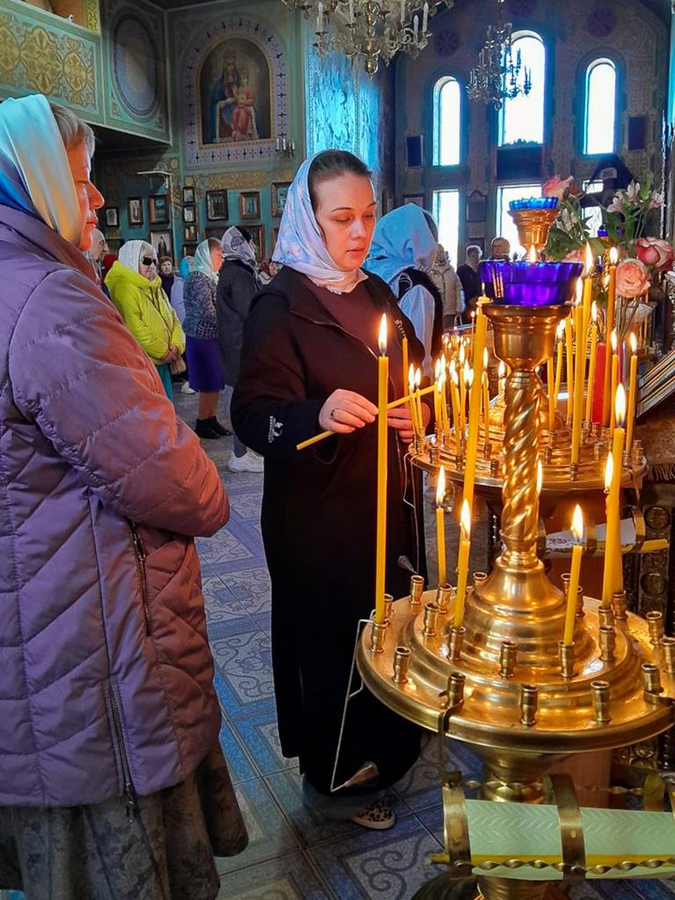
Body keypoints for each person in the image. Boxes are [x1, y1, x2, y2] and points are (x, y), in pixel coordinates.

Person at [0, 94, 246, 900]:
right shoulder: (50, 299)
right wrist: (205, 477)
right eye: (81, 179)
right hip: (92, 636)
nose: (100, 197)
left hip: (36, 620)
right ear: (36, 183)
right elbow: (179, 482)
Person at [232, 150, 428, 830]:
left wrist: (423, 412)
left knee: (391, 629)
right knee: (333, 644)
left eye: (368, 215)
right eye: (342, 218)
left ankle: (392, 752)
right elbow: (251, 414)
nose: (360, 232)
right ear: (308, 219)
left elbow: (418, 376)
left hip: (388, 507)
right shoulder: (281, 306)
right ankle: (337, 778)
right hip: (317, 520)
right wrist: (314, 413)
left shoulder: (375, 294)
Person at [367, 203, 443, 376]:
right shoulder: (414, 286)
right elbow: (419, 353)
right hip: (402, 383)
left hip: (367, 376)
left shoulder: (364, 271)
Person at [105, 241, 185, 399]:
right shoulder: (123, 287)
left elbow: (173, 316)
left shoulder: (154, 285)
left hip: (162, 360)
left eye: (154, 261)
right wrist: (164, 352)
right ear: (132, 261)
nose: (152, 266)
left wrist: (177, 344)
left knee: (166, 404)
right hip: (144, 362)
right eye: (147, 261)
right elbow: (135, 327)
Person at [217, 225, 264, 473]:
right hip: (240, 346)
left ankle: (244, 450)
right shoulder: (238, 274)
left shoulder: (233, 269)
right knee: (240, 399)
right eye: (251, 242)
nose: (253, 247)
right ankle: (239, 455)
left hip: (234, 344)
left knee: (242, 397)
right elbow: (251, 310)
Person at [183, 239, 231, 439]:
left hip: (212, 336)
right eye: (218, 255)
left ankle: (211, 418)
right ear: (206, 255)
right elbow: (206, 311)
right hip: (201, 337)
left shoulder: (210, 276)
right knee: (207, 380)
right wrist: (228, 322)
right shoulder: (197, 278)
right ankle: (202, 421)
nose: (221, 260)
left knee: (215, 380)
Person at [429, 243, 464, 331]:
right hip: (435, 310)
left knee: (449, 332)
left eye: (441, 252)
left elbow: (458, 289)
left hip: (450, 310)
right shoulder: (429, 271)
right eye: (437, 252)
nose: (439, 254)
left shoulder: (451, 270)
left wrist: (459, 307)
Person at [457, 244, 483, 321]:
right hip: (467, 305)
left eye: (477, 256)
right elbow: (459, 288)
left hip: (479, 303)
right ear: (468, 256)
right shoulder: (461, 270)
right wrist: (469, 299)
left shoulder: (481, 270)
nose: (476, 258)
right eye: (473, 256)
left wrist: (479, 296)